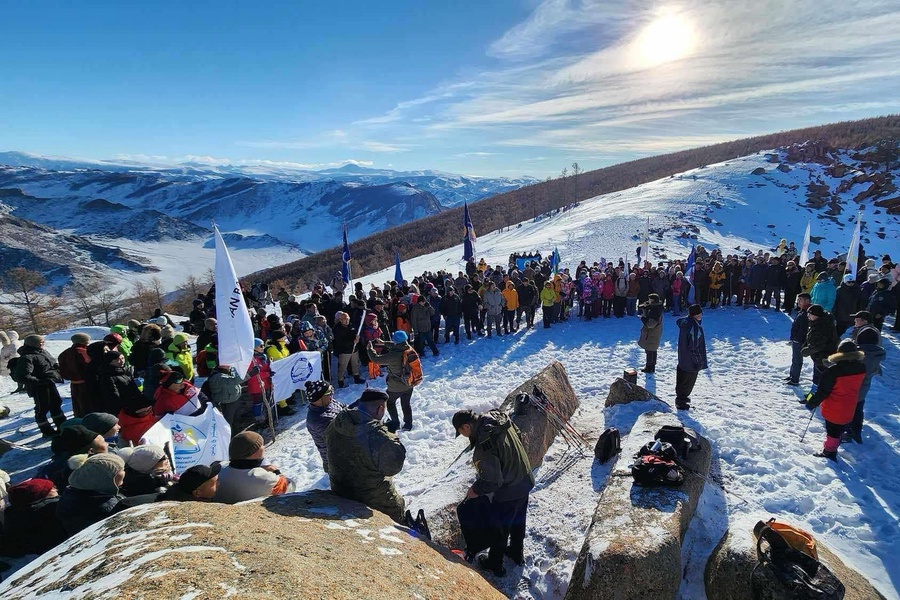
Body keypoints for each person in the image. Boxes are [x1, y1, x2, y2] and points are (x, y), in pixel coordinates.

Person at [453, 408, 535, 577]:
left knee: (500, 529)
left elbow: (492, 481)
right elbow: (518, 434)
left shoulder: (484, 444)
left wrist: (475, 490)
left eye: (460, 432)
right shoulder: (498, 418)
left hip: (509, 490)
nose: (462, 436)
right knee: (518, 520)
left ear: (466, 427)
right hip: (524, 478)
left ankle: (495, 564)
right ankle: (516, 552)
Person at [325, 389, 407, 523]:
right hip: (371, 496)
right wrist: (392, 438)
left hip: (340, 489)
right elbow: (392, 469)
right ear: (380, 409)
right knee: (397, 506)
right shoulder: (380, 437)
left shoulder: (336, 423)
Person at [803, 340, 866, 461]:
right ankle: (835, 444)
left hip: (834, 406)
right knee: (840, 427)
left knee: (832, 430)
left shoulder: (833, 371)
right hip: (850, 404)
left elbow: (822, 391)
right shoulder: (861, 367)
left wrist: (811, 403)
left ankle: (829, 452)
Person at [215, 432, 295, 504]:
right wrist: (276, 472)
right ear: (253, 453)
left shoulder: (218, 470)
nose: (263, 447)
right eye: (261, 445)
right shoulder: (265, 478)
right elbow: (290, 486)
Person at [15, 334, 66, 436]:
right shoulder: (27, 357)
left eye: (43, 342)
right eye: (41, 343)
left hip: (49, 383)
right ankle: (46, 430)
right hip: (38, 387)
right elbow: (22, 376)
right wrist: (39, 381)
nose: (43, 344)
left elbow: (51, 364)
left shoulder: (42, 352)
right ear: (33, 344)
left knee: (56, 404)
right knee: (42, 408)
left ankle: (62, 426)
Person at [367, 331, 419, 432]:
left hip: (396, 385)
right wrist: (384, 343)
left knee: (390, 402)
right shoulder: (409, 348)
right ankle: (408, 424)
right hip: (409, 383)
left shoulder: (393, 355)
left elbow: (376, 359)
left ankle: (395, 423)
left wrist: (370, 349)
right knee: (406, 404)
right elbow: (397, 345)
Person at [0, 478, 67, 557]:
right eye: (52, 488)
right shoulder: (52, 509)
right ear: (40, 495)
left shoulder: (12, 516)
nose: (56, 489)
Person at [846, 311, 885, 443]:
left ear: (865, 321)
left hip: (860, 377)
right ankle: (854, 430)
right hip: (866, 376)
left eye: (857, 319)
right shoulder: (867, 331)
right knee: (858, 403)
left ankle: (853, 431)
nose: (855, 322)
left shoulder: (868, 333)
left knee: (855, 405)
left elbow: (867, 355)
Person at [304, 380, 344, 472]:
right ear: (319, 398)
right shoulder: (319, 420)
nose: (332, 395)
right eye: (329, 393)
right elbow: (344, 435)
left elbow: (345, 408)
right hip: (338, 462)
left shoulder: (328, 403)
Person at [674, 305, 708, 410]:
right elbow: (694, 347)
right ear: (696, 315)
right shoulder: (694, 327)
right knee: (688, 383)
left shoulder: (685, 323)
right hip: (691, 362)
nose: (701, 315)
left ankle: (680, 398)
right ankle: (682, 402)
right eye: (700, 313)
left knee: (681, 380)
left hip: (683, 359)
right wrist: (699, 361)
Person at [801, 304, 839, 388]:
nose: (808, 316)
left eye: (810, 314)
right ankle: (813, 396)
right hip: (819, 357)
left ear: (816, 315)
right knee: (818, 379)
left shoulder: (822, 326)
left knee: (818, 380)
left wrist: (807, 350)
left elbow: (819, 345)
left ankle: (813, 398)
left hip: (823, 357)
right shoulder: (819, 322)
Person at [58, 333, 92, 418]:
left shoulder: (64, 353)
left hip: (73, 383)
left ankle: (79, 422)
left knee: (77, 406)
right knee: (88, 406)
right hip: (87, 383)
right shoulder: (85, 352)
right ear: (85, 341)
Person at [785, 293, 811, 387]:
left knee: (797, 360)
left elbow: (804, 329)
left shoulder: (806, 313)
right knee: (794, 359)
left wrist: (798, 339)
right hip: (796, 339)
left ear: (807, 301)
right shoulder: (802, 311)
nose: (798, 302)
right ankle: (792, 375)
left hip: (799, 340)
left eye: (801, 300)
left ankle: (795, 379)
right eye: (798, 300)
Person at [638, 294, 664, 374]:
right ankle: (651, 366)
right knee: (653, 350)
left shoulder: (655, 312)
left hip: (652, 333)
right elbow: (644, 305)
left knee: (650, 350)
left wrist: (642, 318)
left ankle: (649, 367)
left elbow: (650, 325)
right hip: (654, 333)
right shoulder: (656, 307)